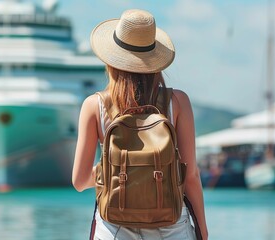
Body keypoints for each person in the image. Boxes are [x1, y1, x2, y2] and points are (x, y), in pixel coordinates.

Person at [71, 9, 208, 240]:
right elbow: (191, 175)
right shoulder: (178, 102)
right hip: (171, 225)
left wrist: (114, 168)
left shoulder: (94, 105)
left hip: (114, 227)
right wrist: (202, 232)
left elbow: (80, 181)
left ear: (111, 59)